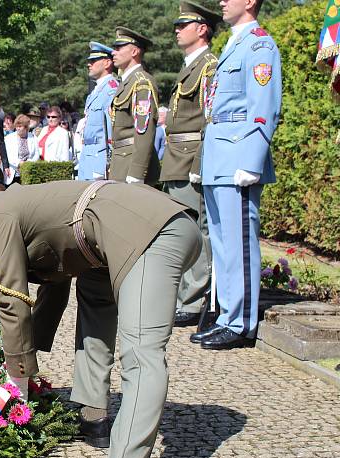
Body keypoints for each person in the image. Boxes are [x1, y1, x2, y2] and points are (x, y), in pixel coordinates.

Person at [0, 163, 199, 458]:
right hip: (129, 229)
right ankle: (93, 416)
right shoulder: (29, 206)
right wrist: (29, 354)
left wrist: (17, 381)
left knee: (142, 357)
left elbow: (12, 298)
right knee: (94, 292)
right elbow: (54, 284)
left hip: (151, 232)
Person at [198, 0, 282, 350]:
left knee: (239, 243)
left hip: (238, 154)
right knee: (222, 244)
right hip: (219, 153)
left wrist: (252, 158)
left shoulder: (260, 45)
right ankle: (225, 315)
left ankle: (240, 323)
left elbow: (264, 105)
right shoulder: (233, 45)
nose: (221, 1)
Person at [161, 1, 221, 328]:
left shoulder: (208, 66)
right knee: (183, 231)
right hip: (176, 159)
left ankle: (194, 300)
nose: (176, 29)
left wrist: (201, 160)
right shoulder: (191, 66)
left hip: (190, 158)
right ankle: (186, 296)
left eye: (183, 24)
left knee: (196, 231)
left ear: (202, 29)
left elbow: (209, 119)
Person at [109, 27, 161, 184]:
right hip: (121, 162)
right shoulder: (127, 82)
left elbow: (144, 130)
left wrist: (137, 171)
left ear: (134, 52)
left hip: (131, 165)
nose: (113, 52)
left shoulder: (141, 82)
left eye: (119, 48)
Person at [78, 42, 119, 181]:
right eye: (89, 61)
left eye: (94, 61)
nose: (89, 64)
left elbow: (111, 130)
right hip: (88, 156)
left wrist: (109, 164)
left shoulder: (111, 90)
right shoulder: (96, 91)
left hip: (100, 159)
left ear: (107, 63)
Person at [3, 114, 40, 184]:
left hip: (28, 172)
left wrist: (28, 163)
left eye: (20, 126)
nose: (17, 128)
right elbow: (8, 155)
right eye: (16, 126)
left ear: (26, 127)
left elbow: (36, 155)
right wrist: (19, 163)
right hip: (13, 173)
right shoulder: (9, 138)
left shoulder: (33, 137)